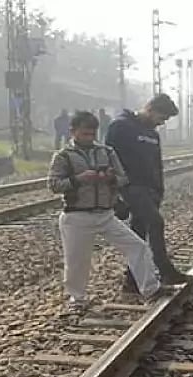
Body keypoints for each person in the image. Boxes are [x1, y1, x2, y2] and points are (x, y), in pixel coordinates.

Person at [47, 111, 160, 311]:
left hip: (106, 215)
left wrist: (110, 178)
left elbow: (123, 178)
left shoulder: (106, 152)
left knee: (138, 246)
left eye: (92, 134)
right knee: (76, 261)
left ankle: (151, 289)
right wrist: (79, 179)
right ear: (73, 132)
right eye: (84, 134)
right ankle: (77, 299)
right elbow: (54, 185)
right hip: (77, 216)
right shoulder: (63, 156)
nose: (89, 138)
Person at [105, 93, 190, 288]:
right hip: (129, 187)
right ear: (150, 109)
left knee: (139, 233)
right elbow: (107, 158)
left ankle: (132, 280)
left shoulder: (153, 134)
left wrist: (159, 189)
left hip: (149, 189)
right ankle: (165, 270)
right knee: (156, 222)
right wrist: (114, 193)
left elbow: (156, 164)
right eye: (161, 118)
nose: (161, 123)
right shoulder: (120, 126)